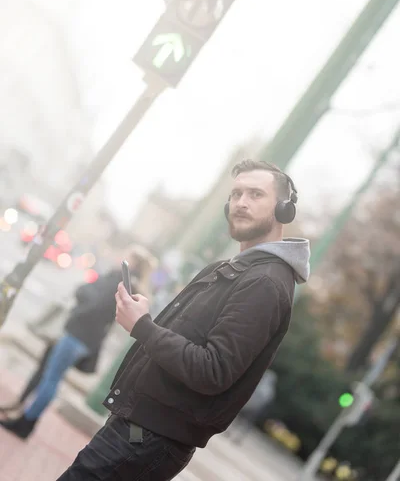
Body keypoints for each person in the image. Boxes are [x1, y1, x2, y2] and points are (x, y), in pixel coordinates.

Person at [57, 160, 310, 481]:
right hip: (140, 428)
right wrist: (147, 317)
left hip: (148, 437)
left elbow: (213, 369)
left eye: (256, 194)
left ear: (284, 209)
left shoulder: (264, 283)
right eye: (236, 194)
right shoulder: (239, 270)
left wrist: (143, 327)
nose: (241, 202)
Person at [0, 245, 156, 439]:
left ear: (132, 262)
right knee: (51, 376)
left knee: (51, 379)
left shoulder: (119, 281)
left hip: (78, 334)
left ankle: (26, 422)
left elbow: (96, 304)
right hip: (86, 339)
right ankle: (24, 417)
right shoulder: (130, 285)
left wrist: (80, 300)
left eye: (127, 256)